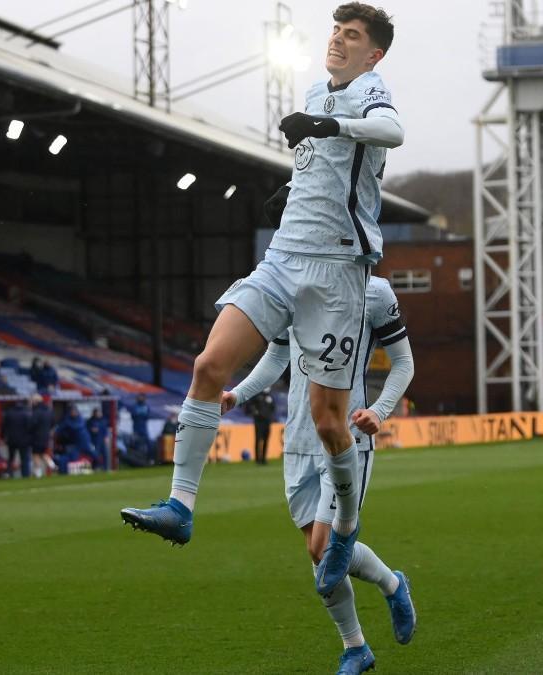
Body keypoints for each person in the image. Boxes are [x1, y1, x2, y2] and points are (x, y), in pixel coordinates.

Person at [121, 7, 402, 650]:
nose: (338, 40)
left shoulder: (369, 93)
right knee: (207, 366)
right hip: (283, 258)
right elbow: (323, 168)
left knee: (331, 421)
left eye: (352, 36)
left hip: (337, 273)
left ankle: (349, 528)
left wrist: (325, 123)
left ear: (373, 55)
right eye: (335, 31)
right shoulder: (314, 91)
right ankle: (181, 506)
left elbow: (393, 131)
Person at [224, 275, 416, 671]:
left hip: (345, 440)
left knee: (321, 550)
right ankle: (364, 634)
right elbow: (278, 356)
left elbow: (404, 362)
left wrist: (378, 411)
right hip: (296, 441)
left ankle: (379, 605)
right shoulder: (291, 283)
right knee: (319, 550)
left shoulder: (374, 290)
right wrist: (238, 393)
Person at [243, 388, 277, 465]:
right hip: (259, 421)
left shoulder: (269, 397)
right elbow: (250, 405)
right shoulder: (257, 395)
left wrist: (270, 415)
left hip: (267, 421)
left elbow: (273, 408)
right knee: (258, 439)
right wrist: (256, 413)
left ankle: (264, 458)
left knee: (266, 439)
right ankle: (258, 459)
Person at [2, 400, 33, 478]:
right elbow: (30, 428)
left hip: (11, 439)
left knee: (11, 458)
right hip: (24, 440)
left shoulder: (8, 413)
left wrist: (3, 437)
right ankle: (25, 474)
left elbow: (4, 427)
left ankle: (9, 473)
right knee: (24, 459)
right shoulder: (26, 414)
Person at [29, 395, 54, 476]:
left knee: (35, 454)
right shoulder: (48, 410)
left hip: (37, 436)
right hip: (46, 435)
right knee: (43, 452)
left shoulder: (36, 411)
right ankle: (51, 464)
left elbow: (32, 424)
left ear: (35, 401)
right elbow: (52, 423)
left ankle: (38, 472)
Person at [126, 394, 152, 461]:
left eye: (142, 397)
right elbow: (133, 416)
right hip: (136, 428)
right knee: (135, 443)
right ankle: (136, 459)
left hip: (144, 428)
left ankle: (150, 459)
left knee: (148, 443)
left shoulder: (146, 406)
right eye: (139, 397)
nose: (141, 399)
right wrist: (141, 415)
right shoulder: (134, 406)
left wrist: (139, 415)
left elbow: (147, 416)